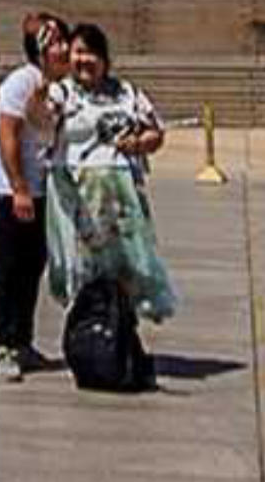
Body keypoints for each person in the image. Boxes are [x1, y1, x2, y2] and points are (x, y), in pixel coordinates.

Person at [44, 21, 177, 354]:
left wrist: (138, 143)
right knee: (86, 273)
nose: (84, 59)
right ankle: (88, 339)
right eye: (77, 52)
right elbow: (39, 119)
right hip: (78, 199)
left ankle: (118, 337)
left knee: (124, 271)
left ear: (104, 58)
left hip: (121, 199)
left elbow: (155, 132)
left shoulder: (127, 93)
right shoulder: (61, 92)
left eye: (91, 52)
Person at [0, 14, 67, 382]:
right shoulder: (21, 81)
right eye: (59, 42)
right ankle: (0, 344)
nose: (65, 48)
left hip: (38, 186)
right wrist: (18, 188)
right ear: (43, 50)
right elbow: (8, 135)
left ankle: (22, 340)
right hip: (6, 189)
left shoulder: (55, 88)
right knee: (5, 267)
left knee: (32, 266)